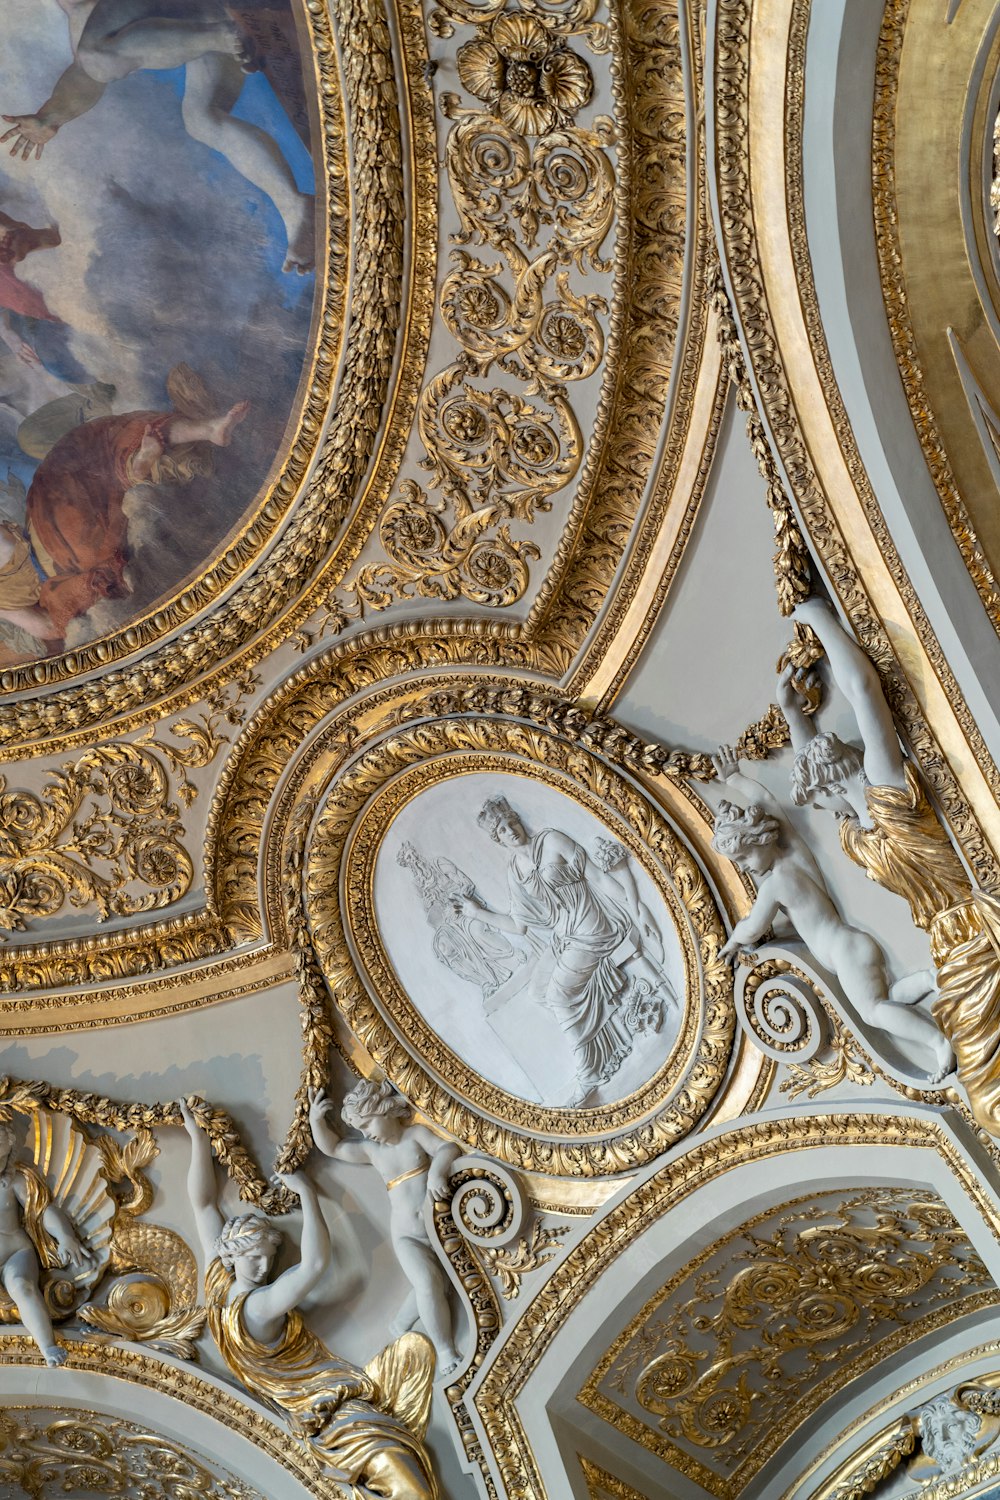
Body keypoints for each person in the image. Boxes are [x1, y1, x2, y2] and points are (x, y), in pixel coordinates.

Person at [779, 595, 1000, 1129]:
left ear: (832, 784)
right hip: (952, 949)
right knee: (987, 1104)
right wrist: (793, 718)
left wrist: (817, 618)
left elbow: (863, 693)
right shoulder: (858, 837)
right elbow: (817, 770)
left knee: (989, 1100)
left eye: (820, 797)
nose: (823, 811)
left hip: (981, 928)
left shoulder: (889, 796)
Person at [178, 1097, 440, 1500]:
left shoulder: (220, 1280)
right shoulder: (257, 1308)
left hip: (331, 1412)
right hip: (332, 1415)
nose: (264, 1268)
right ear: (231, 1254)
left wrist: (197, 1137)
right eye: (253, 1258)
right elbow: (315, 1264)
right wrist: (308, 1195)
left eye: (267, 1258)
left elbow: (204, 1203)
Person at [2, 1, 314, 274]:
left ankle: (224, 35)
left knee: (95, 54)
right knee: (202, 119)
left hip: (208, 21)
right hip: (204, 21)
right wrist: (52, 117)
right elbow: (88, 75)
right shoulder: (78, 18)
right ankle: (294, 205)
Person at [711, 745, 952, 1080]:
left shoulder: (775, 885)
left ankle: (938, 1043)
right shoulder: (795, 858)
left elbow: (753, 927)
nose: (747, 869)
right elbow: (769, 803)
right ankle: (930, 980)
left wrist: (732, 942)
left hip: (842, 951)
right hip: (851, 944)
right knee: (889, 999)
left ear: (762, 841)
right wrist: (736, 779)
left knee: (873, 1012)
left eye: (745, 859)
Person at [25, 392, 248, 638]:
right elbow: (46, 624)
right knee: (99, 441)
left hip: (60, 536)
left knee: (92, 443)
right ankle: (195, 435)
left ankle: (190, 438)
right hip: (60, 544)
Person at [461, 796, 637, 1105]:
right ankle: (606, 1039)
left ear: (518, 820)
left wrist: (635, 907)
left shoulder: (552, 839)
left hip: (591, 926)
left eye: (510, 822)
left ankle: (588, 1075)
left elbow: (596, 876)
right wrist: (476, 913)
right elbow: (518, 925)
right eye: (501, 830)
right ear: (498, 839)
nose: (509, 831)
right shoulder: (515, 871)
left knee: (559, 996)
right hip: (563, 935)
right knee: (539, 992)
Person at [309, 1081, 462, 1377]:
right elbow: (334, 1147)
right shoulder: (373, 1152)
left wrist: (436, 1173)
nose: (365, 1132)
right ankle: (446, 1352)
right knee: (429, 1284)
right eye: (360, 1128)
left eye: (367, 1123)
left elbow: (447, 1148)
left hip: (440, 1231)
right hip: (407, 1236)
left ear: (384, 1110)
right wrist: (316, 1120)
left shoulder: (414, 1136)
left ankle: (400, 1325)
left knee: (438, 1285)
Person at [0, 1115, 93, 1366]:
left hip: (15, 1254)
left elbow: (43, 1211)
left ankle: (48, 1346)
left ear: (8, 1146)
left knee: (22, 1285)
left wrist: (65, 1237)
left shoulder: (16, 1180)